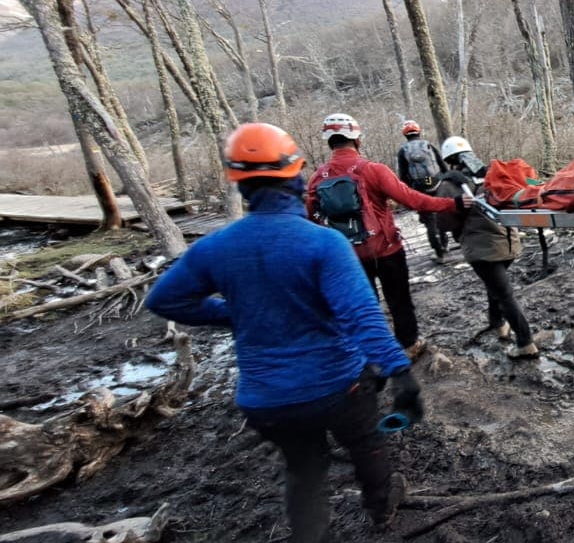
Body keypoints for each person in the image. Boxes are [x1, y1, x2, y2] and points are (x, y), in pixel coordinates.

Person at [145, 123, 424, 542]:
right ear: (295, 177)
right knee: (366, 444)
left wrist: (239, 315)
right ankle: (382, 511)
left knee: (304, 470)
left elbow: (165, 301)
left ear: (241, 188)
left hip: (266, 399)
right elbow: (361, 316)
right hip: (338, 386)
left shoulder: (214, 248)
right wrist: (401, 373)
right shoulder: (324, 243)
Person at [306, 113, 471, 357]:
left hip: (348, 255)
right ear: (357, 139)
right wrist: (452, 203)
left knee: (365, 306)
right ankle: (409, 345)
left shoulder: (317, 179)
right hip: (386, 249)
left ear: (329, 142)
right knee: (399, 299)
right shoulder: (373, 170)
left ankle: (374, 350)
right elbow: (412, 199)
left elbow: (312, 219)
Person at [439, 137, 538, 358]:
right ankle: (498, 323)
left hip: (482, 249)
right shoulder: (492, 174)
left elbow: (444, 222)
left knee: (504, 294)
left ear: (448, 160)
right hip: (509, 243)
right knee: (495, 285)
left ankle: (525, 343)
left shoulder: (448, 184)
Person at [395, 120, 451, 262]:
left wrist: (407, 191)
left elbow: (403, 175)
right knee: (440, 212)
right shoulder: (428, 145)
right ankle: (444, 244)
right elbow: (441, 164)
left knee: (429, 219)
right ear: (419, 132)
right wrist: (446, 178)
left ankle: (439, 252)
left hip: (420, 187)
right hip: (436, 182)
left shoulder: (403, 150)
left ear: (405, 134)